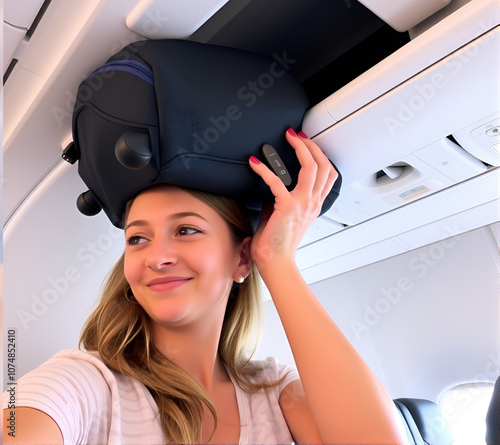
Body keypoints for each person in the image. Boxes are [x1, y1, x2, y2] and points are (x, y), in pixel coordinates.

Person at [2, 129, 408, 444]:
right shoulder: (87, 382)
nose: (156, 256)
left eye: (186, 230)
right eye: (137, 239)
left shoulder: (274, 394)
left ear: (241, 259)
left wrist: (278, 261)